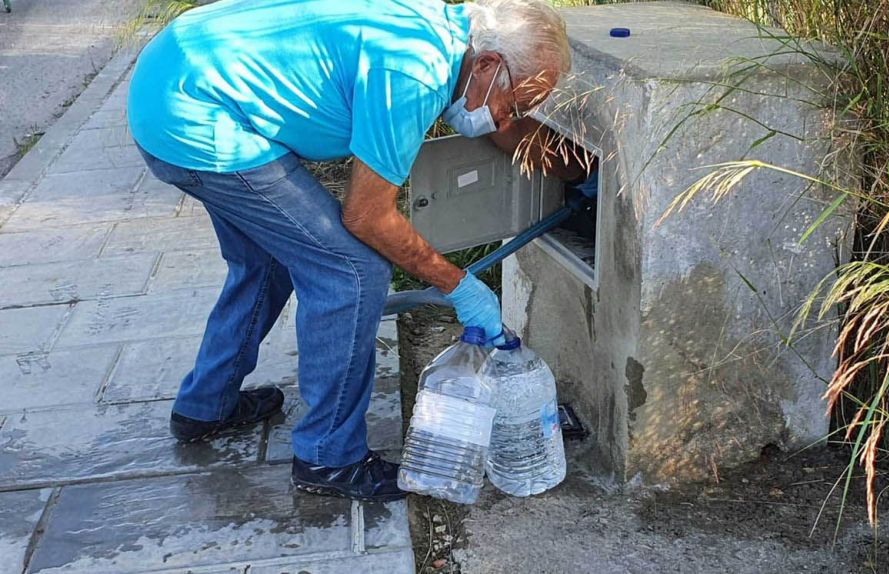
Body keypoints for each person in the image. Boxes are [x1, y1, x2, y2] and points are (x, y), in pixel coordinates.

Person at [127, 0, 588, 502]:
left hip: (173, 78)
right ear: (488, 66)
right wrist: (459, 285)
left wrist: (582, 171)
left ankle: (205, 406)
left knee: (268, 258)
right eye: (515, 104)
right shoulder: (413, 74)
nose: (506, 119)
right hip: (195, 115)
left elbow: (504, 123)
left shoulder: (453, 38)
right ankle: (329, 457)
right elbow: (367, 216)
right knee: (351, 270)